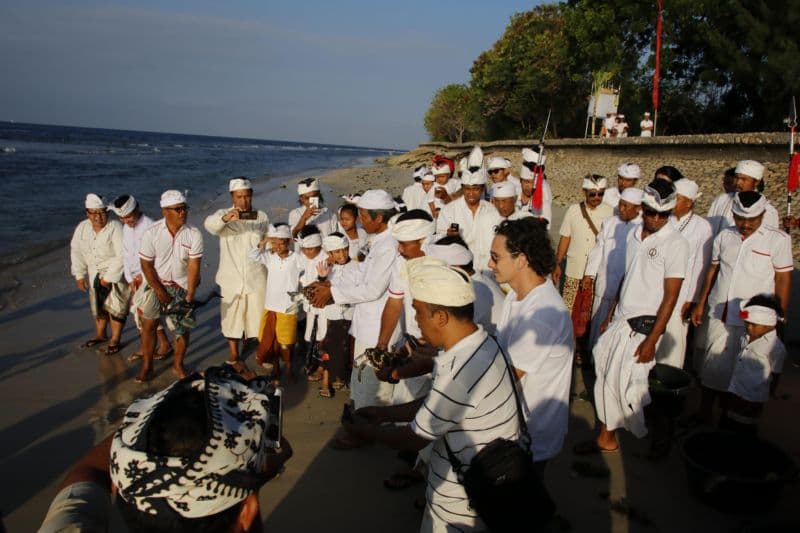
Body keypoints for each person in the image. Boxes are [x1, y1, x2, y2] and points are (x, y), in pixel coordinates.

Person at [343, 257, 520, 532]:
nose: (415, 320)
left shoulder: (460, 372)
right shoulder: (482, 342)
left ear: (441, 316)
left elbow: (415, 437)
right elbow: (434, 406)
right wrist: (382, 413)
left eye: (417, 312)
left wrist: (365, 431)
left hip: (460, 507)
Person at [580, 180, 689, 453]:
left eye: (662, 214)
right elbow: (628, 276)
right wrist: (611, 312)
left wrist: (653, 338)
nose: (655, 218)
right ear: (643, 208)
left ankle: (659, 434)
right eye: (651, 212)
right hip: (621, 318)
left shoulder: (676, 243)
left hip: (644, 325)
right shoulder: (633, 235)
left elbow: (671, 297)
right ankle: (608, 436)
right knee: (606, 371)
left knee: (634, 386)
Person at [691, 191, 792, 423]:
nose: (745, 224)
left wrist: (780, 317)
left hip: (754, 321)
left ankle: (730, 419)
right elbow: (712, 270)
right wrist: (701, 302)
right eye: (739, 218)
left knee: (742, 372)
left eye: (752, 220)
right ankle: (704, 414)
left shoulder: (778, 240)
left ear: (763, 215)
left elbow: (783, 279)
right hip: (720, 313)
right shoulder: (724, 236)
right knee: (712, 366)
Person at [490, 218, 574, 470]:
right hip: (514, 423)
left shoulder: (543, 313)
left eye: (496, 257)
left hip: (530, 433)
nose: (489, 264)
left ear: (522, 260)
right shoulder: (517, 295)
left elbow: (506, 375)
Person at [308, 189, 400, 419]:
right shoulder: (377, 241)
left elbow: (372, 288)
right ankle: (359, 415)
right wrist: (329, 287)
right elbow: (361, 276)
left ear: (379, 218)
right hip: (366, 321)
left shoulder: (388, 245)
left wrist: (333, 294)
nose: (360, 220)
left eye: (363, 216)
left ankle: (366, 426)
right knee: (361, 377)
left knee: (371, 382)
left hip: (377, 326)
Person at [134, 190, 203, 383]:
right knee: (148, 325)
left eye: (184, 208)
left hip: (181, 285)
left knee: (183, 329)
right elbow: (146, 265)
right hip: (156, 283)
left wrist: (190, 292)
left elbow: (194, 266)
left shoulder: (194, 234)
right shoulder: (152, 233)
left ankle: (178, 365)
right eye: (178, 209)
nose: (183, 213)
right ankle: (147, 366)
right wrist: (159, 291)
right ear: (165, 211)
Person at [204, 177, 269, 364]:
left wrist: (268, 241)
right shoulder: (222, 215)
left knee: (257, 315)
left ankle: (259, 348)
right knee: (231, 317)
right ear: (232, 196)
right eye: (239, 197)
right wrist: (226, 218)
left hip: (256, 276)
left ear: (252, 196)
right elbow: (210, 225)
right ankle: (233, 352)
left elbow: (269, 236)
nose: (244, 201)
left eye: (247, 197)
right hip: (230, 277)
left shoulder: (261, 216)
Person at [108, 194, 172, 361]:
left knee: (148, 315)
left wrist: (143, 279)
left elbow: (156, 258)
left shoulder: (150, 227)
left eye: (128, 216)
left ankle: (162, 345)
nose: (125, 221)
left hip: (149, 278)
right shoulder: (127, 228)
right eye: (122, 218)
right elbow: (127, 255)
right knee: (140, 315)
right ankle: (150, 346)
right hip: (134, 278)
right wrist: (130, 279)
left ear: (137, 209)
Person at [657, 178, 712, 368]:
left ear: (689, 202)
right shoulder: (663, 219)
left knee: (674, 339)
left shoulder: (702, 226)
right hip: (658, 286)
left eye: (677, 198)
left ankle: (669, 377)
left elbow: (701, 265)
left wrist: (692, 298)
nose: (673, 201)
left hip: (682, 292)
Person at [583, 188, 643, 350]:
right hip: (604, 284)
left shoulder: (642, 229)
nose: (621, 209)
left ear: (638, 208)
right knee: (597, 322)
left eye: (626, 206)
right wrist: (589, 274)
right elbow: (598, 250)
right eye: (620, 205)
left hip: (624, 289)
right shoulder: (610, 223)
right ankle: (592, 357)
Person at [70, 193, 128, 354]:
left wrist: (109, 277)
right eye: (94, 212)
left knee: (117, 307)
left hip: (116, 273)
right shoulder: (82, 228)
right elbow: (76, 251)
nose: (98, 216)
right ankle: (100, 335)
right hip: (93, 272)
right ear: (87, 213)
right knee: (98, 306)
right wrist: (79, 275)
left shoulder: (115, 227)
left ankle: (115, 338)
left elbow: (122, 254)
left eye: (102, 212)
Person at [722, 294, 787, 433]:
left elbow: (776, 372)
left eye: (753, 325)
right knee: (730, 418)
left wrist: (772, 391)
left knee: (745, 424)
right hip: (736, 388)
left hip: (752, 394)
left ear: (768, 324)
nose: (749, 328)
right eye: (747, 324)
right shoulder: (745, 337)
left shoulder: (776, 348)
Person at [248, 223, 302, 384]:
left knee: (287, 342)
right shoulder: (269, 256)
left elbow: (307, 268)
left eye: (281, 243)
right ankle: (277, 368)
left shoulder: (296, 258)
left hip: (288, 306)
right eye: (275, 242)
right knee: (271, 341)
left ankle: (290, 368)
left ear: (289, 242)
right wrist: (264, 242)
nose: (277, 246)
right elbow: (253, 255)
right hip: (270, 305)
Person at [554, 175, 614, 312]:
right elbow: (565, 238)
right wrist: (557, 263)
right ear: (584, 192)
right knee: (568, 307)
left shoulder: (610, 212)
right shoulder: (573, 210)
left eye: (601, 194)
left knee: (590, 310)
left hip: (596, 272)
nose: (596, 197)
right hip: (574, 269)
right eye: (592, 194)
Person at [436, 167, 502, 274]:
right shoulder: (449, 210)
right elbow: (438, 239)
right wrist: (448, 236)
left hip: (488, 268)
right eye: (467, 189)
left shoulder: (492, 210)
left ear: (482, 189)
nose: (471, 193)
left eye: (475, 189)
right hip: (461, 269)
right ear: (462, 188)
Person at [315, 233, 357, 397]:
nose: (342, 254)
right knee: (329, 348)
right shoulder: (326, 269)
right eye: (337, 252)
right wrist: (322, 277)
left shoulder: (357, 266)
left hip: (350, 315)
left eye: (344, 250)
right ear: (330, 254)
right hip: (331, 316)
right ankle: (326, 381)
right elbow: (319, 290)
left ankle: (340, 378)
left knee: (346, 349)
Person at [707, 160, 780, 235]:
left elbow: (769, 239)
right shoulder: (722, 199)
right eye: (736, 178)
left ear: (756, 182)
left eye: (744, 179)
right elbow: (709, 227)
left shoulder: (768, 211)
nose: (738, 182)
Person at [519, 148, 553, 226]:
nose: (529, 186)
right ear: (521, 181)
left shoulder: (543, 192)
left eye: (532, 182)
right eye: (526, 182)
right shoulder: (515, 193)